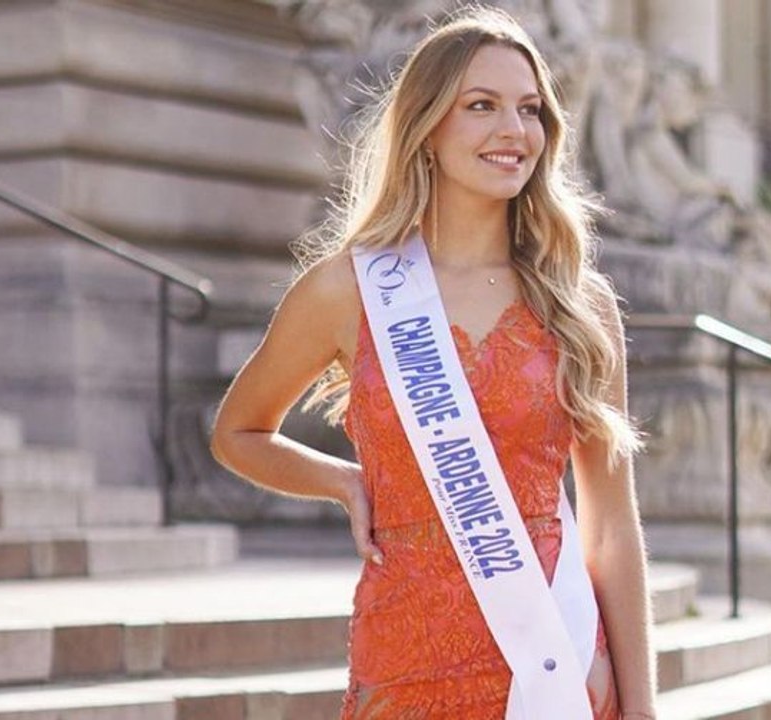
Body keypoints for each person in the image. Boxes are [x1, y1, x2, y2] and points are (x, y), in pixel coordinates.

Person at [210, 6, 657, 719]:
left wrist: (640, 707)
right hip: (405, 662)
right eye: (480, 106)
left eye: (529, 110)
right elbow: (237, 431)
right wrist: (344, 483)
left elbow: (609, 525)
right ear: (427, 128)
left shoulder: (579, 303)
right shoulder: (346, 291)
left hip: (554, 659)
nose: (514, 132)